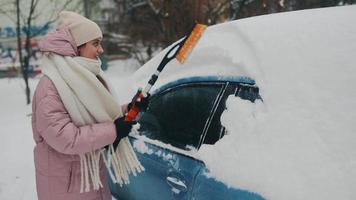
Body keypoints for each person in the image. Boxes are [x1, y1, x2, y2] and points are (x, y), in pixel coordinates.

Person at [32, 11, 147, 200]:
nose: (100, 50)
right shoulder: (50, 87)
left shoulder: (82, 78)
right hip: (66, 188)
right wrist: (113, 130)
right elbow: (66, 138)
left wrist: (129, 108)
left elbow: (93, 115)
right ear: (77, 47)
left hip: (89, 180)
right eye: (95, 43)